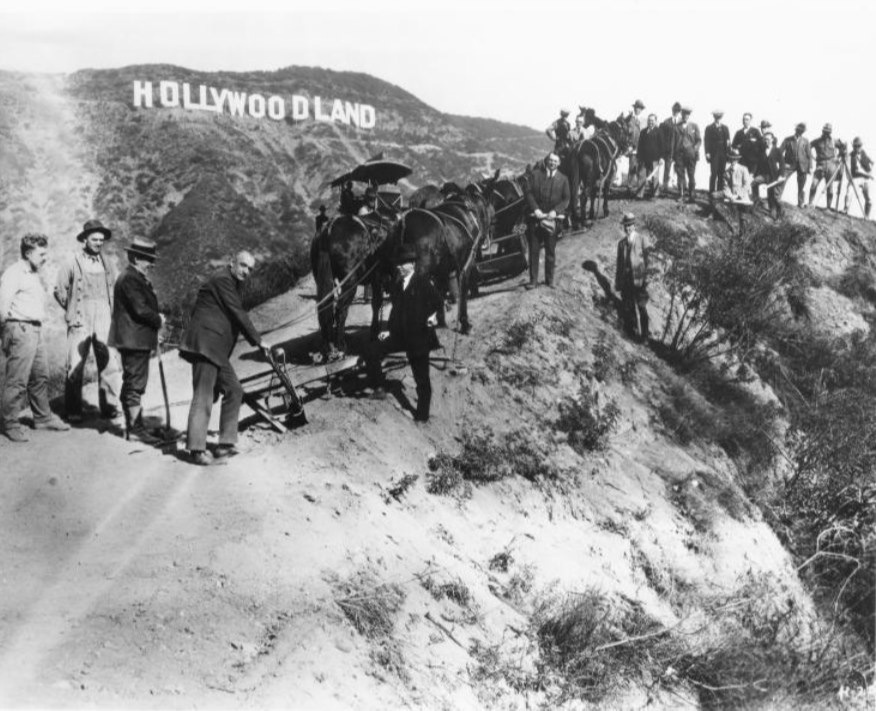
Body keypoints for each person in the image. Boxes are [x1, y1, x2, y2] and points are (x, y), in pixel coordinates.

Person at [178, 251, 271, 466]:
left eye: (249, 269)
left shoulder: (231, 283)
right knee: (204, 395)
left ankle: (225, 444)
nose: (246, 272)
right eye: (242, 266)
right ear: (232, 263)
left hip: (216, 349)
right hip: (206, 346)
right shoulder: (222, 279)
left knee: (234, 390)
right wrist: (258, 341)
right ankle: (196, 449)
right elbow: (238, 312)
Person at [0, 234, 70, 442]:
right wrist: (7, 334)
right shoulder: (14, 273)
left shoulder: (32, 273)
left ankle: (42, 418)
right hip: (20, 329)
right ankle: (10, 423)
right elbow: (2, 306)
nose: (45, 258)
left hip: (35, 330)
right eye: (41, 254)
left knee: (40, 375)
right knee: (17, 380)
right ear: (29, 253)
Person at [54, 218, 123, 423]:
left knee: (109, 361)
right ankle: (74, 409)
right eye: (95, 239)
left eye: (102, 240)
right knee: (75, 363)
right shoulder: (71, 262)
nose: (99, 243)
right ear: (85, 239)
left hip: (104, 316)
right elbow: (59, 290)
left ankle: (110, 406)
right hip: (80, 318)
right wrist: (72, 310)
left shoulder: (108, 263)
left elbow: (116, 289)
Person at [366, 244, 443, 423]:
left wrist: (434, 317)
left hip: (419, 337)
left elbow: (438, 304)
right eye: (398, 264)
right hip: (400, 335)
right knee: (372, 350)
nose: (400, 267)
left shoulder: (423, 282)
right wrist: (387, 331)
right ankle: (379, 388)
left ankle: (422, 416)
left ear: (413, 264)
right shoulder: (397, 284)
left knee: (421, 378)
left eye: (404, 263)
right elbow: (395, 312)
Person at [107, 237, 164, 444]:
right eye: (148, 259)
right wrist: (158, 319)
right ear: (138, 258)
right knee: (135, 384)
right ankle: (136, 430)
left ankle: (134, 426)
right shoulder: (130, 279)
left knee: (133, 382)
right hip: (134, 340)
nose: (152, 263)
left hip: (135, 338)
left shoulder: (133, 277)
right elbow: (140, 309)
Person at [523, 152, 570, 289]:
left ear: (559, 163)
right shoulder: (535, 175)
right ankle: (533, 281)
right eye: (550, 160)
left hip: (551, 221)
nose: (552, 163)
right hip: (535, 220)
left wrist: (555, 211)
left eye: (555, 161)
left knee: (550, 251)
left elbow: (566, 199)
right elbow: (528, 192)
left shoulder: (563, 179)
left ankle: (549, 280)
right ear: (546, 161)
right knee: (534, 251)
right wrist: (536, 209)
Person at [614, 213, 649, 343]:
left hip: (639, 279)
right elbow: (619, 264)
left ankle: (645, 336)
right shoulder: (621, 244)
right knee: (628, 306)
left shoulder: (642, 240)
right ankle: (632, 333)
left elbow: (648, 260)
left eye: (629, 226)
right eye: (625, 226)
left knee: (642, 307)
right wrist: (618, 282)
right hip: (626, 280)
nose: (627, 228)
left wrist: (646, 278)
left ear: (634, 226)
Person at [752, 131, 786, 219]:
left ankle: (776, 211)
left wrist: (781, 175)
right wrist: (753, 174)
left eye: (768, 139)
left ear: (772, 140)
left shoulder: (777, 150)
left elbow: (782, 163)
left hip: (774, 176)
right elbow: (757, 163)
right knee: (754, 182)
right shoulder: (762, 150)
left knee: (772, 195)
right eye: (765, 140)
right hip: (763, 175)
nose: (766, 141)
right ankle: (758, 201)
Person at [809, 123, 841, 210]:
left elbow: (843, 148)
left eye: (828, 132)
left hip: (831, 166)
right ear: (822, 131)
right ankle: (810, 204)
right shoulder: (817, 141)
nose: (826, 134)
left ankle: (828, 207)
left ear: (830, 132)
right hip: (820, 165)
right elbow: (808, 147)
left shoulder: (834, 141)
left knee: (830, 188)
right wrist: (812, 157)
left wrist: (838, 158)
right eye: (825, 132)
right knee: (814, 185)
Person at [780, 123, 812, 208]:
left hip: (802, 165)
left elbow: (809, 155)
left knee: (801, 185)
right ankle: (777, 199)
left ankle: (800, 203)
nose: (800, 131)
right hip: (789, 164)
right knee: (782, 180)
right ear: (796, 130)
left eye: (802, 130)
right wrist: (783, 163)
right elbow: (780, 152)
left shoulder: (806, 141)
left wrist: (810, 167)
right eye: (799, 129)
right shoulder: (788, 139)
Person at [674, 106, 701, 203]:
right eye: (684, 114)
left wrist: (694, 149)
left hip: (691, 155)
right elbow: (673, 141)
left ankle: (692, 195)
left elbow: (699, 140)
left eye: (687, 114)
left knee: (691, 175)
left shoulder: (694, 126)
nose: (686, 116)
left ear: (689, 115)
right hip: (679, 155)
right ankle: (681, 194)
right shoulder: (677, 126)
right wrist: (674, 155)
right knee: (680, 175)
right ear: (681, 115)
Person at [634, 114, 664, 199]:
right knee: (641, 175)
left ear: (655, 121)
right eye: (649, 120)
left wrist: (661, 157)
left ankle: (655, 194)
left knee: (654, 177)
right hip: (643, 158)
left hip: (655, 158)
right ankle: (640, 194)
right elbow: (640, 145)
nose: (650, 122)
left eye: (652, 120)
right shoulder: (643, 131)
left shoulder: (659, 131)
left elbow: (662, 146)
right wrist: (638, 156)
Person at [704, 110, 731, 196]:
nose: (718, 120)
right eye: (716, 118)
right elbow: (706, 141)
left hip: (723, 153)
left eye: (719, 118)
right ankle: (711, 191)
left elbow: (728, 141)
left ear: (721, 118)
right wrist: (707, 152)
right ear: (714, 118)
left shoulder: (725, 128)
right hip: (714, 153)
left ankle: (719, 192)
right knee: (714, 173)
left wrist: (729, 153)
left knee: (721, 173)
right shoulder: (709, 128)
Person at [845, 137, 873, 217]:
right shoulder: (850, 156)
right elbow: (848, 170)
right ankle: (845, 209)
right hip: (856, 178)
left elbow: (871, 163)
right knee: (849, 191)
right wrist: (850, 178)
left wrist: (870, 172)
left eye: (858, 146)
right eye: (855, 146)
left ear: (861, 146)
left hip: (866, 179)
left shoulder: (864, 153)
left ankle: (866, 216)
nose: (857, 148)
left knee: (869, 198)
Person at [659, 101, 682, 195]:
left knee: (679, 169)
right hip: (669, 150)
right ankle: (665, 186)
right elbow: (662, 136)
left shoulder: (682, 122)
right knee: (667, 168)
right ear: (672, 110)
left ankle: (680, 187)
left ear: (679, 112)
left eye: (677, 111)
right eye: (674, 110)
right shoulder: (666, 122)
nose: (676, 112)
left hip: (679, 150)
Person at [624, 100, 646, 191]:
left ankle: (639, 189)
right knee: (632, 168)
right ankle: (629, 187)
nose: (638, 110)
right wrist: (628, 145)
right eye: (636, 108)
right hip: (632, 148)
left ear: (641, 110)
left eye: (639, 108)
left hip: (642, 148)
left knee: (641, 169)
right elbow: (626, 133)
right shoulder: (629, 120)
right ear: (634, 108)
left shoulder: (645, 121)